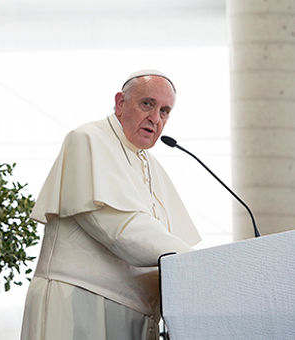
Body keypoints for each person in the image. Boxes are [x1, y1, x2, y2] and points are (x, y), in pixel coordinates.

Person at [20, 70, 201, 340]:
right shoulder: (88, 138)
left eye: (164, 111)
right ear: (120, 103)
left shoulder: (155, 168)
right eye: (147, 104)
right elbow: (120, 228)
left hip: (136, 314)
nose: (155, 118)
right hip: (81, 302)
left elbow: (168, 241)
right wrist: (197, 263)